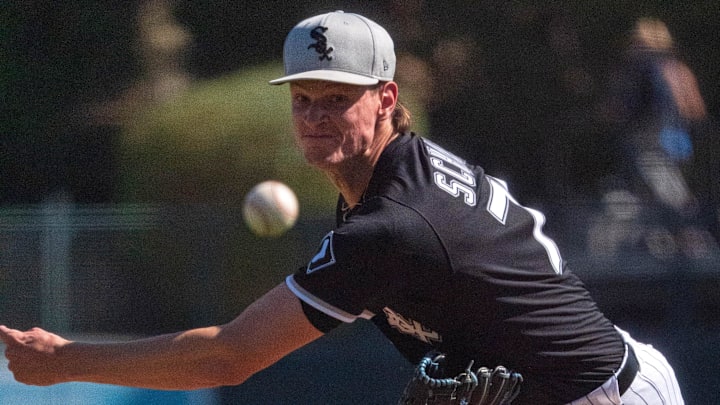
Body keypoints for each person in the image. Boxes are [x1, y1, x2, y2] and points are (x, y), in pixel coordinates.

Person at [0, 11, 685, 404]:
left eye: (338, 98)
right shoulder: (401, 170)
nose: (315, 115)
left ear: (385, 99)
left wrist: (62, 359)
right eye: (303, 98)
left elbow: (229, 357)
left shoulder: (392, 227)